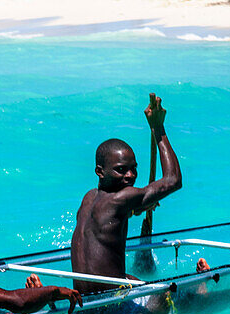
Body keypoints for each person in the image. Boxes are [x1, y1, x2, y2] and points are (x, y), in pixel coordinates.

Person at [69, 92, 182, 295]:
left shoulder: (89, 198)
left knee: (134, 280)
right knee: (175, 296)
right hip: (111, 304)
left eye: (134, 168)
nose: (130, 176)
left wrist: (137, 207)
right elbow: (173, 180)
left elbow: (111, 218)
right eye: (121, 170)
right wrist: (158, 128)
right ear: (100, 171)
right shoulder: (123, 198)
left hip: (85, 299)